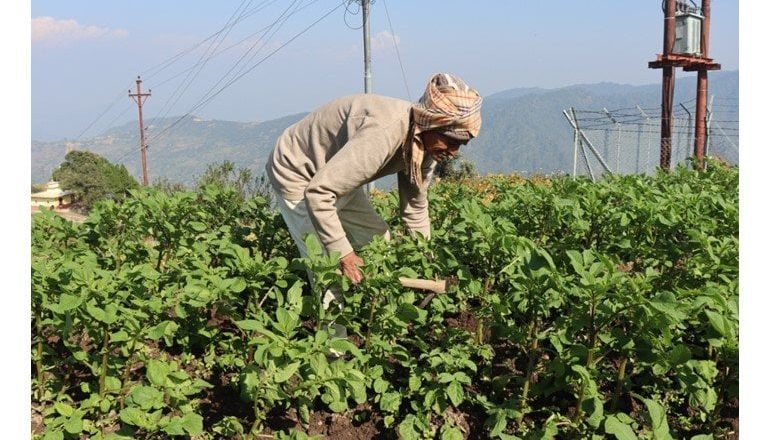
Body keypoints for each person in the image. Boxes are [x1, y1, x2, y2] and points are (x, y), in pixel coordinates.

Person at [265, 73, 482, 329]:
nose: (454, 152)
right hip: (299, 173)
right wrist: (344, 254)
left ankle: (377, 321)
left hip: (334, 176)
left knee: (379, 241)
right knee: (327, 269)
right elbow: (318, 193)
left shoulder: (426, 146)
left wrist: (425, 259)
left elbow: (415, 207)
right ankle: (334, 354)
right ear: (431, 124)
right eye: (451, 140)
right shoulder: (385, 133)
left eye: (461, 144)